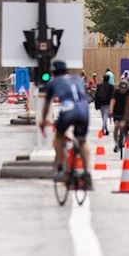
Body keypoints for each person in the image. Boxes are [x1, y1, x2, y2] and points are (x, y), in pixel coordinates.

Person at [40, 59, 91, 187]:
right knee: (82, 140)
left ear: (53, 72)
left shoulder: (53, 82)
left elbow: (47, 104)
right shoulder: (78, 79)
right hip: (84, 110)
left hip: (68, 110)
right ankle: (87, 173)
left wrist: (43, 120)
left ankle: (62, 167)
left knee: (58, 137)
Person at [94, 70, 115, 136]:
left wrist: (96, 105)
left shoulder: (99, 86)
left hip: (100, 102)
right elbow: (113, 95)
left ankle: (106, 129)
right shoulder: (111, 86)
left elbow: (96, 95)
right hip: (107, 102)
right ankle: (103, 128)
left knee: (103, 116)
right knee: (105, 116)